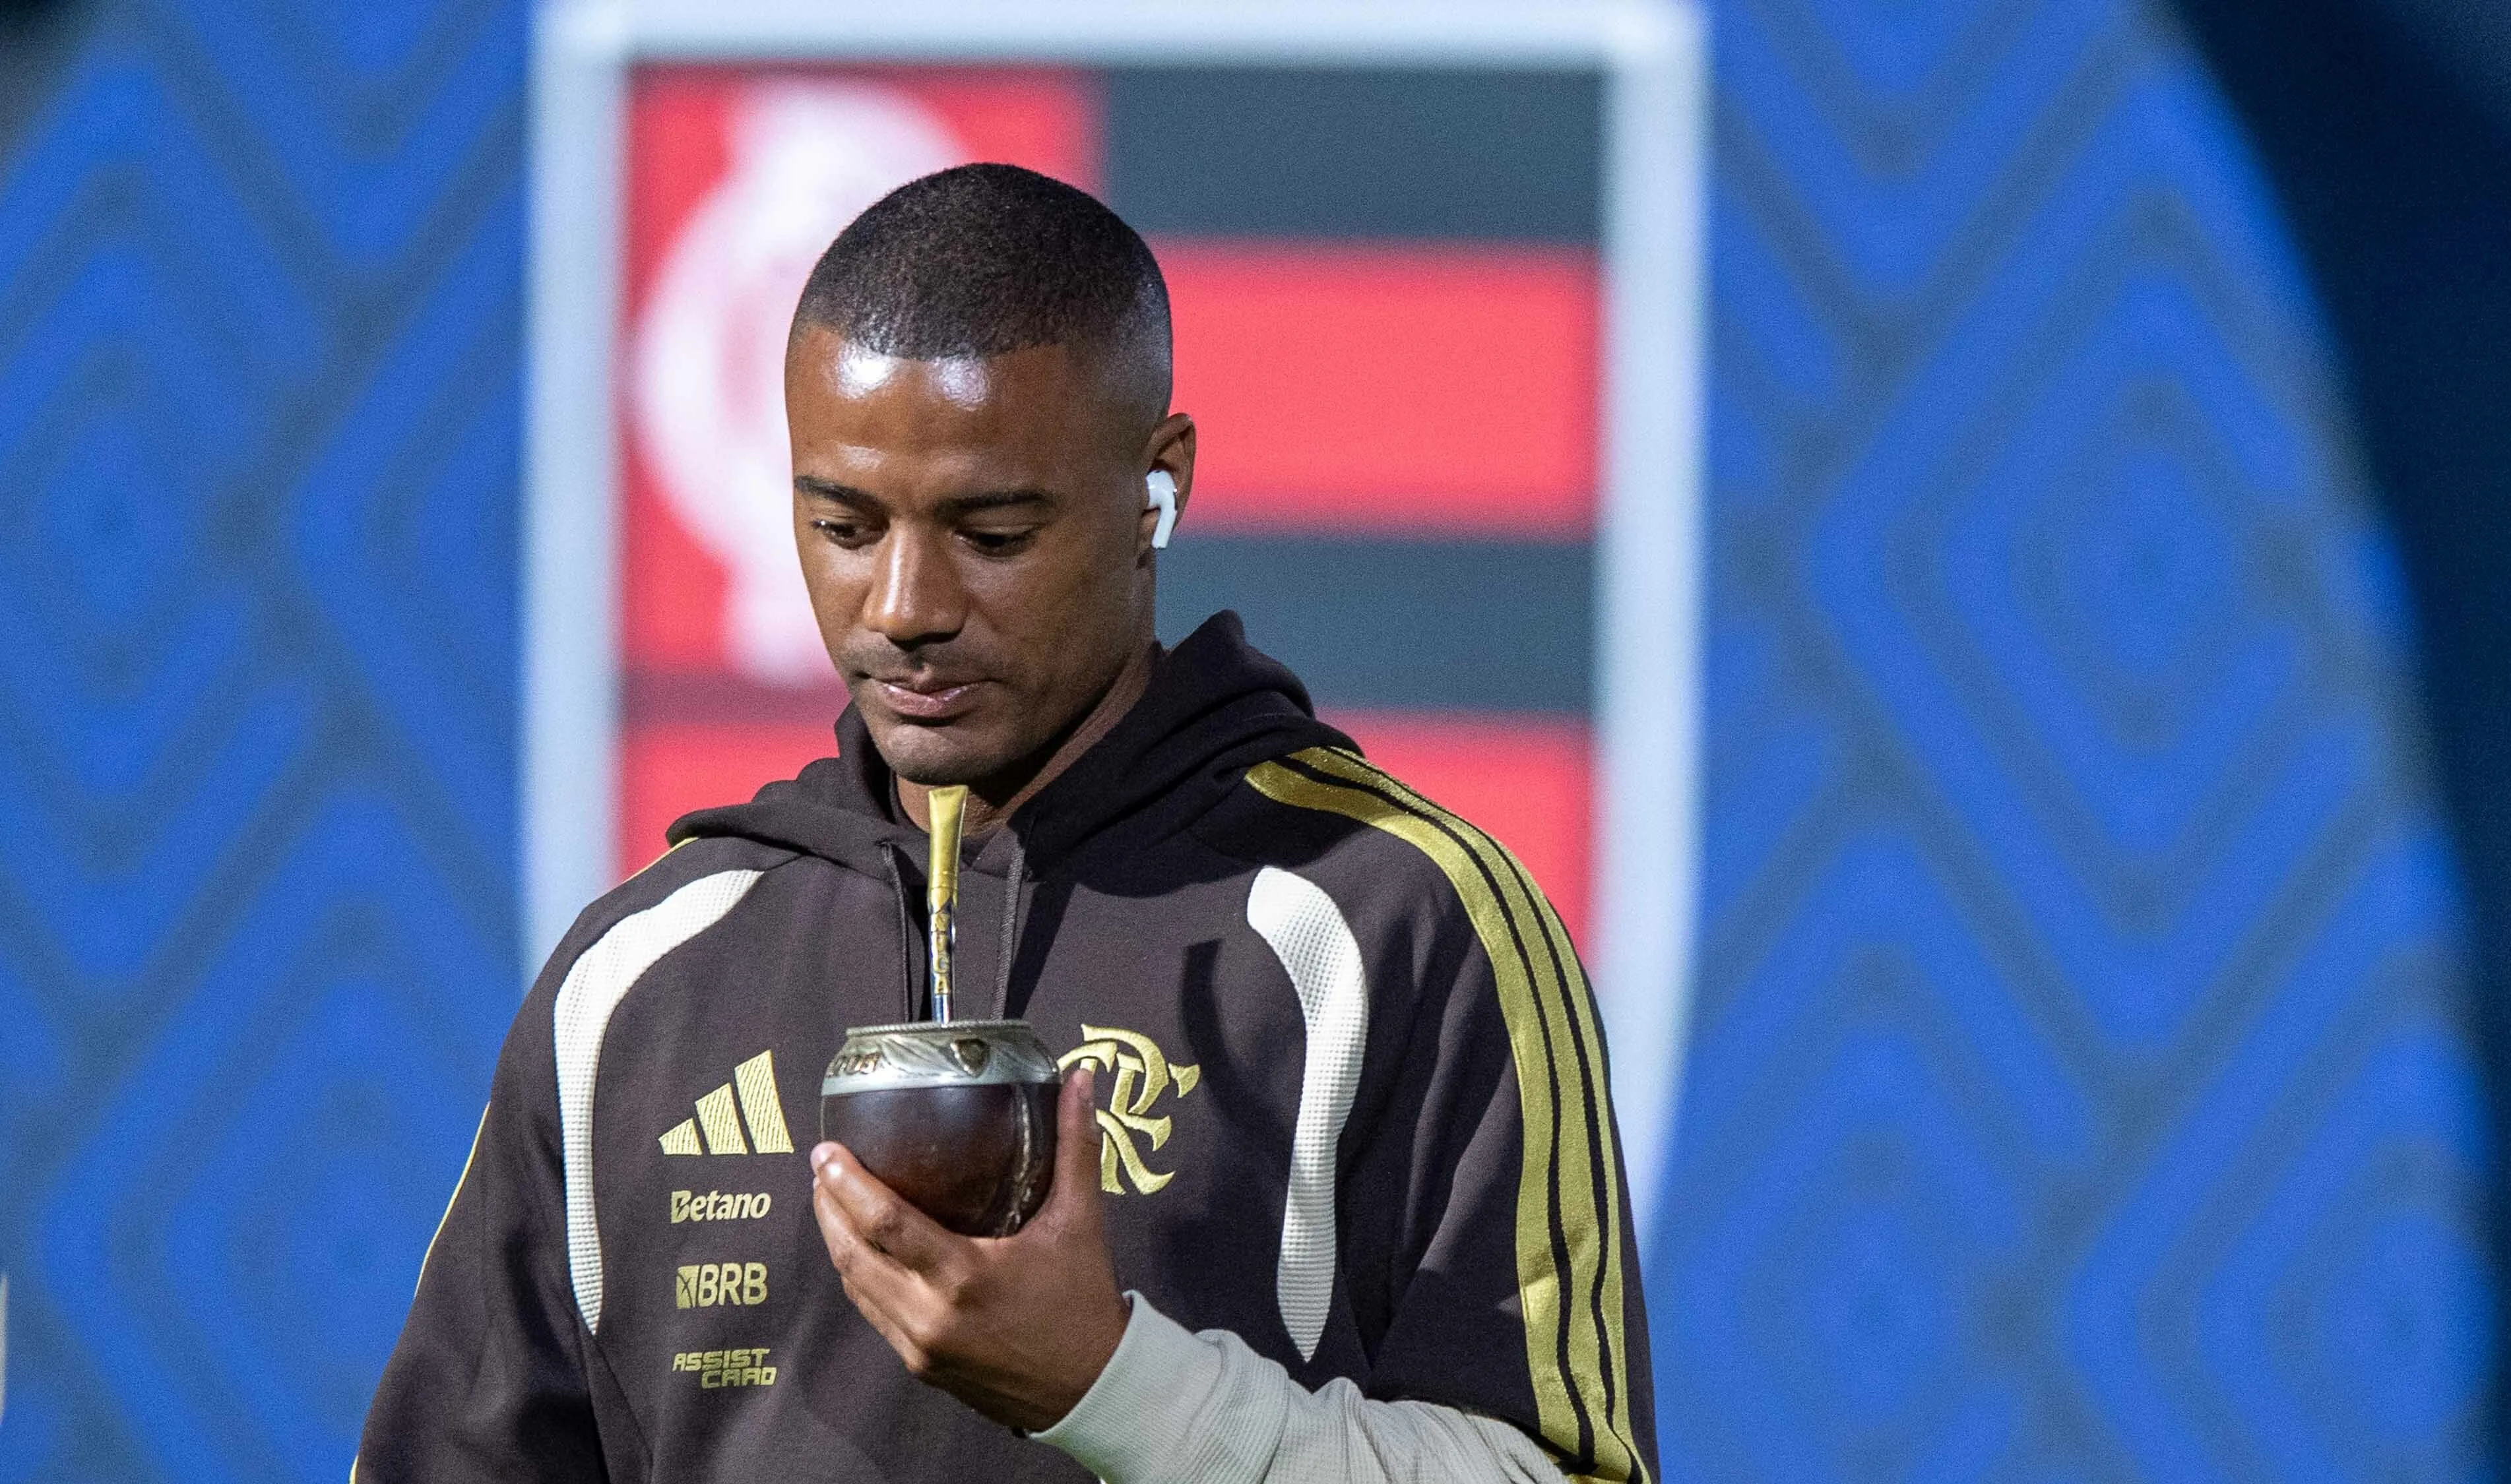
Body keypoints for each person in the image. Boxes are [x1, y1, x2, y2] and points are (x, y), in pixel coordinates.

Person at [358, 163, 1656, 1483]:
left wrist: (1109, 1385)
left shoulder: (1394, 922)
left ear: (1157, 486)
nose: (906, 602)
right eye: (843, 525)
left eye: (989, 531)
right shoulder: (638, 980)